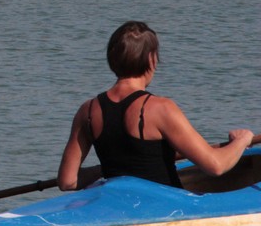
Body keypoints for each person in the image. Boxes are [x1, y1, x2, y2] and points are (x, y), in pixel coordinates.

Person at [58, 20, 253, 191]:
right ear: (151, 59)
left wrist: (104, 169)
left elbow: (67, 181)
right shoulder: (160, 108)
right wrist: (241, 141)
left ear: (112, 57)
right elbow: (215, 165)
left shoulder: (88, 111)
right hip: (166, 210)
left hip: (118, 208)